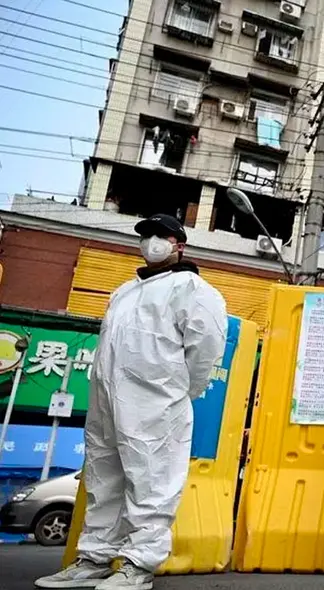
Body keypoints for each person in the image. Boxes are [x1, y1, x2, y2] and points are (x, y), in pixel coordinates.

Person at [36, 214, 228, 590]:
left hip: (156, 402)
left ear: (179, 244)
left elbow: (205, 352)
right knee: (102, 478)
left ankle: (139, 565)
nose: (152, 241)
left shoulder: (192, 289)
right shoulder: (125, 291)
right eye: (147, 235)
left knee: (152, 480)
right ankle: (94, 558)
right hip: (107, 401)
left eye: (162, 235)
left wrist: (174, 392)